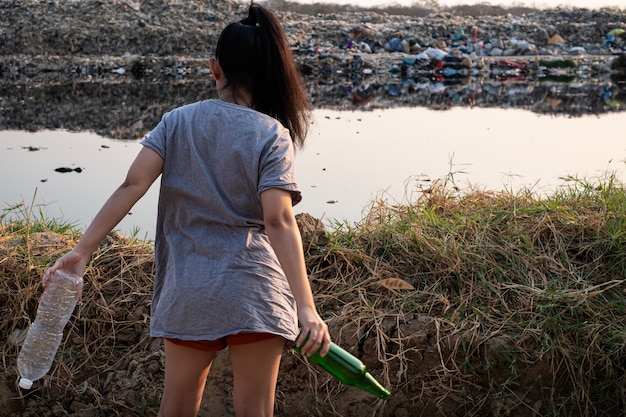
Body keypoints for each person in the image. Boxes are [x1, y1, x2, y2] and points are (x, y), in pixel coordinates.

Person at [44, 4, 331, 416]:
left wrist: (82, 251)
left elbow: (132, 185)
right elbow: (279, 219)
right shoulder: (273, 134)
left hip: (188, 291)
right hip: (254, 291)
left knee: (176, 408)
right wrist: (306, 307)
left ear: (215, 67)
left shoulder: (176, 122)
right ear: (269, 71)